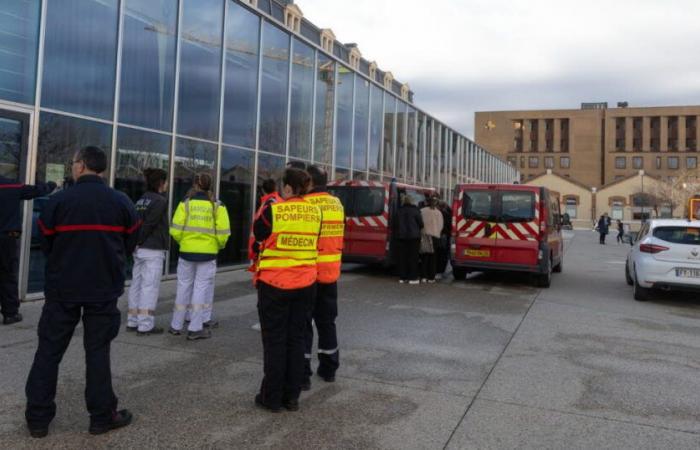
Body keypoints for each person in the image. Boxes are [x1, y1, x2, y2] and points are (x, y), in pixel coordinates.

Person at [25, 146, 139, 438]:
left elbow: (45, 244)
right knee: (98, 352)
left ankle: (38, 419)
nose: (73, 167)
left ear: (82, 166)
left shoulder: (59, 201)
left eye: (74, 162)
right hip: (103, 289)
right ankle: (101, 417)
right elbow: (130, 244)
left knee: (49, 352)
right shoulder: (121, 201)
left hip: (63, 288)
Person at [253, 168, 321, 412]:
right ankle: (291, 397)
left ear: (289, 188)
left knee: (275, 341)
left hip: (275, 284)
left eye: (283, 186)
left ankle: (271, 397)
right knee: (297, 339)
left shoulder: (274, 210)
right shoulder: (316, 212)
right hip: (306, 284)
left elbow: (258, 234)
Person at [169, 173, 230, 340]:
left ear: (195, 184)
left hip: (186, 252)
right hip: (208, 253)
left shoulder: (185, 203)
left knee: (183, 287)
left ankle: (176, 325)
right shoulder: (218, 206)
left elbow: (175, 229)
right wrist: (217, 245)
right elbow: (224, 233)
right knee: (200, 289)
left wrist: (185, 242)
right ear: (210, 185)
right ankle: (195, 328)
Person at [302, 165, 345, 390]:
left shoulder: (307, 204)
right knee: (327, 322)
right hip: (331, 273)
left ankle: (303, 372)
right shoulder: (336, 204)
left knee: (304, 323)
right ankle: (329, 369)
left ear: (309, 182)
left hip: (309, 272)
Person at [0, 175, 55, 325]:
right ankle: (10, 314)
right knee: (7, 274)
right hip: (7, 238)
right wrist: (51, 184)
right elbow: (37, 191)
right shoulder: (10, 186)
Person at [127, 169, 169, 336]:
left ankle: (133, 320)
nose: (166, 185)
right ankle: (145, 325)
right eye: (165, 181)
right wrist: (139, 240)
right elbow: (150, 224)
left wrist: (135, 243)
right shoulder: (160, 201)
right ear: (160, 182)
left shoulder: (141, 199)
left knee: (136, 284)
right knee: (149, 287)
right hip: (152, 248)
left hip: (139, 250)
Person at [248, 178, 282, 272]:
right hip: (276, 247)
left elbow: (261, 228)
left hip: (266, 248)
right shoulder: (280, 201)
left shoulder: (268, 204)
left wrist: (256, 247)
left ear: (263, 190)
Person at [396, 194, 423, 284]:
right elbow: (421, 224)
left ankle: (402, 277)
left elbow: (395, 223)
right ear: (411, 201)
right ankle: (412, 277)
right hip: (414, 237)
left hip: (402, 237)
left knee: (402, 257)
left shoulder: (399, 210)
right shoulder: (415, 211)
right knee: (413, 258)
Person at [420, 197, 444, 283]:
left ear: (427, 202)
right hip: (435, 237)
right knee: (433, 258)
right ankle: (431, 277)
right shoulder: (439, 213)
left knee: (424, 257)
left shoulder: (422, 211)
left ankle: (423, 276)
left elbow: (420, 223)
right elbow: (441, 225)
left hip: (425, 236)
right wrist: (437, 231)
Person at [435, 200, 452, 279]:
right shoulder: (448, 213)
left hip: (439, 235)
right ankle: (441, 271)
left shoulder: (439, 213)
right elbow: (449, 226)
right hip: (444, 235)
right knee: (443, 253)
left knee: (438, 253)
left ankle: (438, 271)